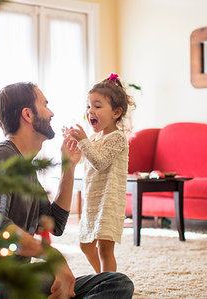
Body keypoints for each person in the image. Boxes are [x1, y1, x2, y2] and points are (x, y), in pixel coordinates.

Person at [0, 82, 134, 298]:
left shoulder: (27, 170)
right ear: (28, 114)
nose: (52, 112)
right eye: (45, 104)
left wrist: (69, 167)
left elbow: (55, 224)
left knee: (116, 283)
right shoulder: (0, 156)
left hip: (19, 277)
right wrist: (51, 255)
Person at [66, 73, 136, 274]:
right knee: (85, 245)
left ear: (116, 112)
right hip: (93, 200)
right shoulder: (95, 138)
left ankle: (108, 285)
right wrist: (73, 146)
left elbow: (100, 163)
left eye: (97, 106)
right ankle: (102, 278)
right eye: (88, 106)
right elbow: (83, 160)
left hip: (109, 200)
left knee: (105, 249)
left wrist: (83, 141)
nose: (90, 111)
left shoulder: (117, 138)